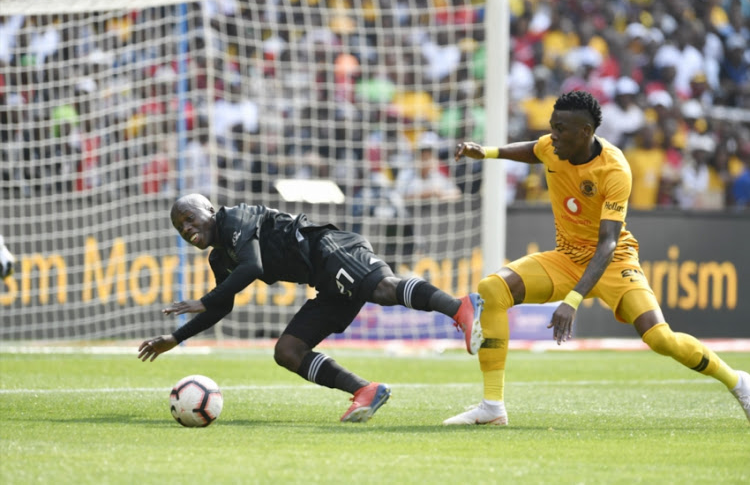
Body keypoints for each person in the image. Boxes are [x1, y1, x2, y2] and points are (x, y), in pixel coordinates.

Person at [445, 90, 750, 426]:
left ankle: (738, 382)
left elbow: (607, 244)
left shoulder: (614, 169)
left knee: (660, 338)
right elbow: (534, 151)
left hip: (615, 262)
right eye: (552, 126)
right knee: (492, 289)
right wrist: (486, 152)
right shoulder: (552, 146)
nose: (552, 135)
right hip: (567, 259)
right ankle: (492, 407)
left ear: (585, 133)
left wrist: (572, 300)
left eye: (560, 129)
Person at [138, 193, 484, 423]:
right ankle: (365, 390)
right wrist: (175, 337)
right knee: (288, 350)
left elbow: (252, 267)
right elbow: (221, 306)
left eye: (189, 218)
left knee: (382, 288)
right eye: (180, 227)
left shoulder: (234, 219)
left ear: (209, 211)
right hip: (322, 278)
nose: (186, 228)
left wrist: (205, 300)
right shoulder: (219, 257)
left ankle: (459, 308)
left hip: (329, 248)